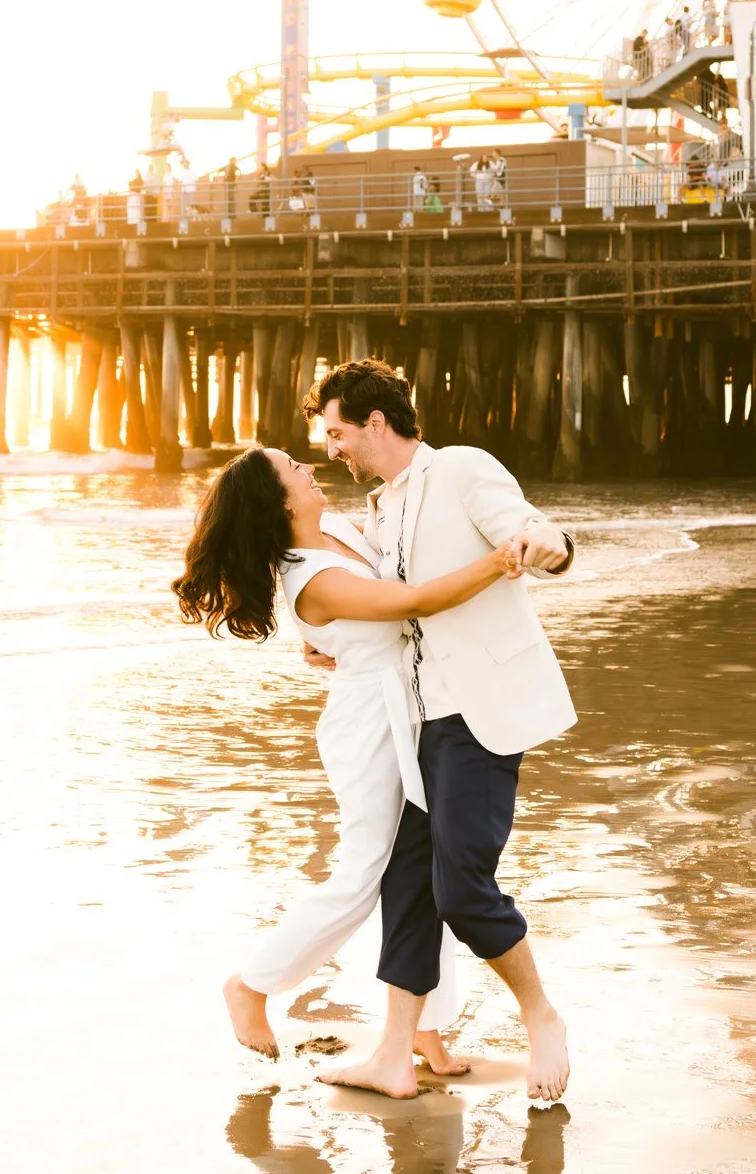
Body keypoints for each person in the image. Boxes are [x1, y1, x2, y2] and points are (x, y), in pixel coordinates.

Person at [174, 448, 528, 1076]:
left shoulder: (336, 529)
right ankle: (251, 985)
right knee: (362, 874)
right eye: (293, 469)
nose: (310, 467)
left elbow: (401, 561)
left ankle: (425, 1031)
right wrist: (499, 562)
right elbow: (412, 602)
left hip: (417, 704)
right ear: (281, 501)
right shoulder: (308, 574)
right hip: (367, 724)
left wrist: (322, 643)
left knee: (419, 869)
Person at [304, 359, 577, 1104]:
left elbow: (526, 523)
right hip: (413, 719)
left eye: (336, 432)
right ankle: (394, 1054)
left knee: (461, 887)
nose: (331, 448)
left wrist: (548, 543)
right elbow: (396, 609)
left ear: (376, 423)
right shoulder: (382, 507)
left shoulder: (459, 468)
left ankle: (540, 1014)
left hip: (475, 710)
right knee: (407, 883)